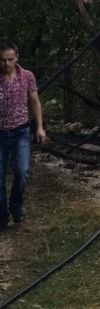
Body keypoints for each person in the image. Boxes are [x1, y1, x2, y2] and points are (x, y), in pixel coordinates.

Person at [0, 41, 47, 228]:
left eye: (10, 59)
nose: (6, 64)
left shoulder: (27, 76)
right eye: (2, 60)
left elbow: (35, 103)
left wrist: (40, 127)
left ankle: (16, 206)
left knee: (22, 171)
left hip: (20, 131)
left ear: (16, 58)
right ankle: (2, 217)